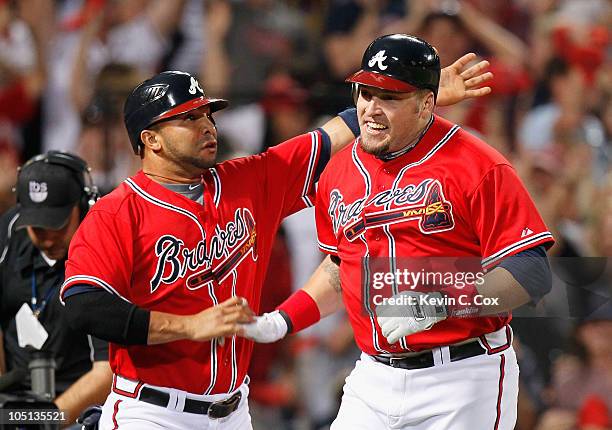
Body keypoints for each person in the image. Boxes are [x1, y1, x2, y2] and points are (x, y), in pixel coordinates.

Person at [60, 60, 493, 430]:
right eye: (188, 119)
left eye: (207, 115)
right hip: (153, 411)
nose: (207, 126)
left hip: (234, 410)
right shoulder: (117, 213)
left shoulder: (247, 181)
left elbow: (329, 138)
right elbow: (85, 306)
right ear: (150, 139)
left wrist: (422, 97)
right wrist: (188, 326)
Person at [242, 34, 555, 430]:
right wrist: (283, 320)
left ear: (428, 102)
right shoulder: (339, 171)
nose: (371, 109)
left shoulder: (477, 164)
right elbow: (341, 268)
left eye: (389, 98)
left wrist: (442, 303)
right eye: (365, 93)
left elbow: (531, 272)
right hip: (373, 376)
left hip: (461, 376)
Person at [0, 151, 112, 427]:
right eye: (37, 227)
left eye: (56, 224)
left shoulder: (104, 246)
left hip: (86, 407)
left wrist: (44, 420)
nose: (48, 238)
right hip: (17, 403)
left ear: (82, 206)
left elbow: (109, 370)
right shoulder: (9, 232)